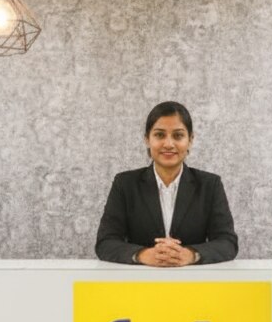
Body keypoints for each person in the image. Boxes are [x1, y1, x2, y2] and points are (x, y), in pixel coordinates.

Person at [95, 101, 238, 266]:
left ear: (190, 140)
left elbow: (227, 242)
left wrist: (190, 255)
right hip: (140, 279)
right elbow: (106, 242)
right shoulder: (125, 184)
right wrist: (143, 255)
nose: (169, 144)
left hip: (193, 279)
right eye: (159, 135)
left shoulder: (210, 185)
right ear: (147, 139)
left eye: (178, 136)